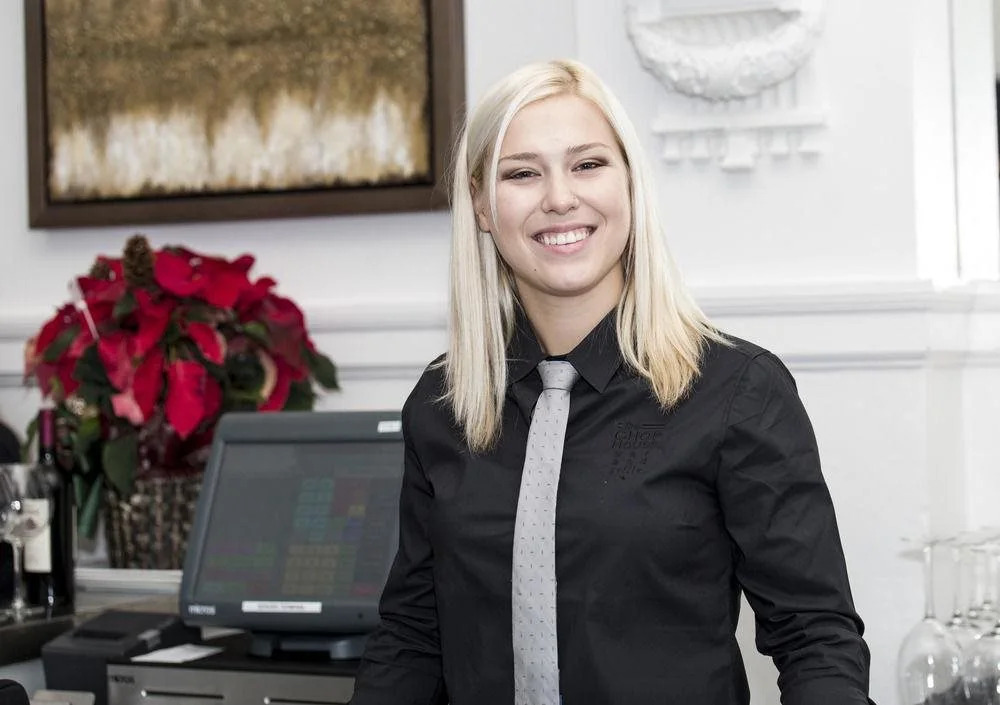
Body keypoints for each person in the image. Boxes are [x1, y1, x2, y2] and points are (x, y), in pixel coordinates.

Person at [350, 59, 873, 705]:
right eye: (522, 173)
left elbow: (815, 637)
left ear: (629, 182)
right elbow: (412, 634)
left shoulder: (739, 390)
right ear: (482, 204)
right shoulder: (444, 402)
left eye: (588, 164)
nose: (559, 198)